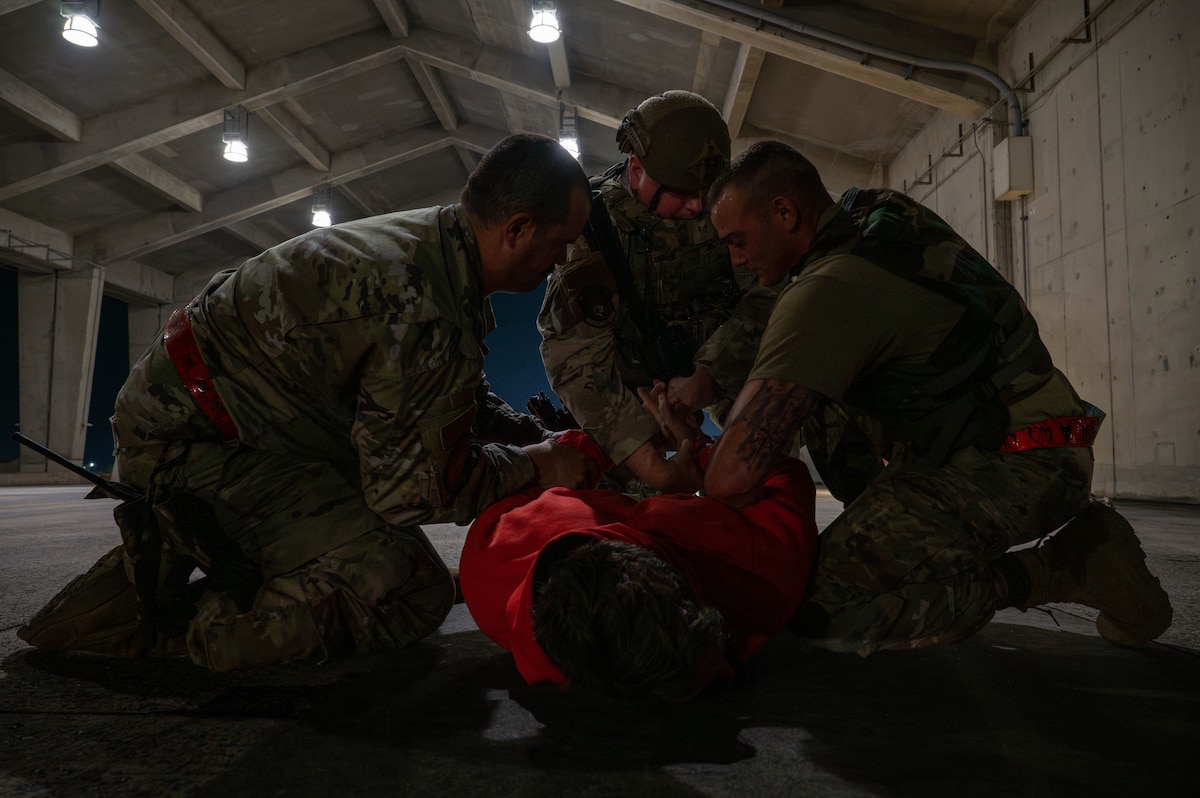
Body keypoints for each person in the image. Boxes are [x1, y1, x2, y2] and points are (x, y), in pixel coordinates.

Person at [19, 133, 599, 672]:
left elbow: (446, 401)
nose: (561, 262)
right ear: (519, 228)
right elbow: (411, 491)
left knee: (410, 560)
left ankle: (205, 553)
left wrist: (528, 438)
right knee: (405, 587)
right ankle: (166, 622)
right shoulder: (422, 301)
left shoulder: (435, 252)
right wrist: (537, 465)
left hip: (231, 426)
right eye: (559, 245)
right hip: (193, 448)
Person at [650, 140, 1172, 656]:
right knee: (810, 398)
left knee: (822, 604)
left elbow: (729, 484)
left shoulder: (828, 290)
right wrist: (705, 378)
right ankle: (895, 539)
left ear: (784, 213)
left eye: (738, 241)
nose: (736, 259)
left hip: (1022, 465)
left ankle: (1071, 566)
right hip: (1029, 433)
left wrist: (691, 459)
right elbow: (771, 310)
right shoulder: (874, 215)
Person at [458, 430, 818, 701]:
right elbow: (783, 471)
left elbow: (565, 459)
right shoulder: (759, 583)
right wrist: (696, 455)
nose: (729, 667)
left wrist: (651, 447)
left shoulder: (487, 562)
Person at [537, 90, 776, 495]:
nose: (698, 207)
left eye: (708, 190)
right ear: (635, 170)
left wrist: (711, 375)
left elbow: (771, 297)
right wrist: (649, 463)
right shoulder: (592, 230)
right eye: (682, 191)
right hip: (627, 400)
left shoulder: (728, 203)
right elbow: (575, 359)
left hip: (730, 369)